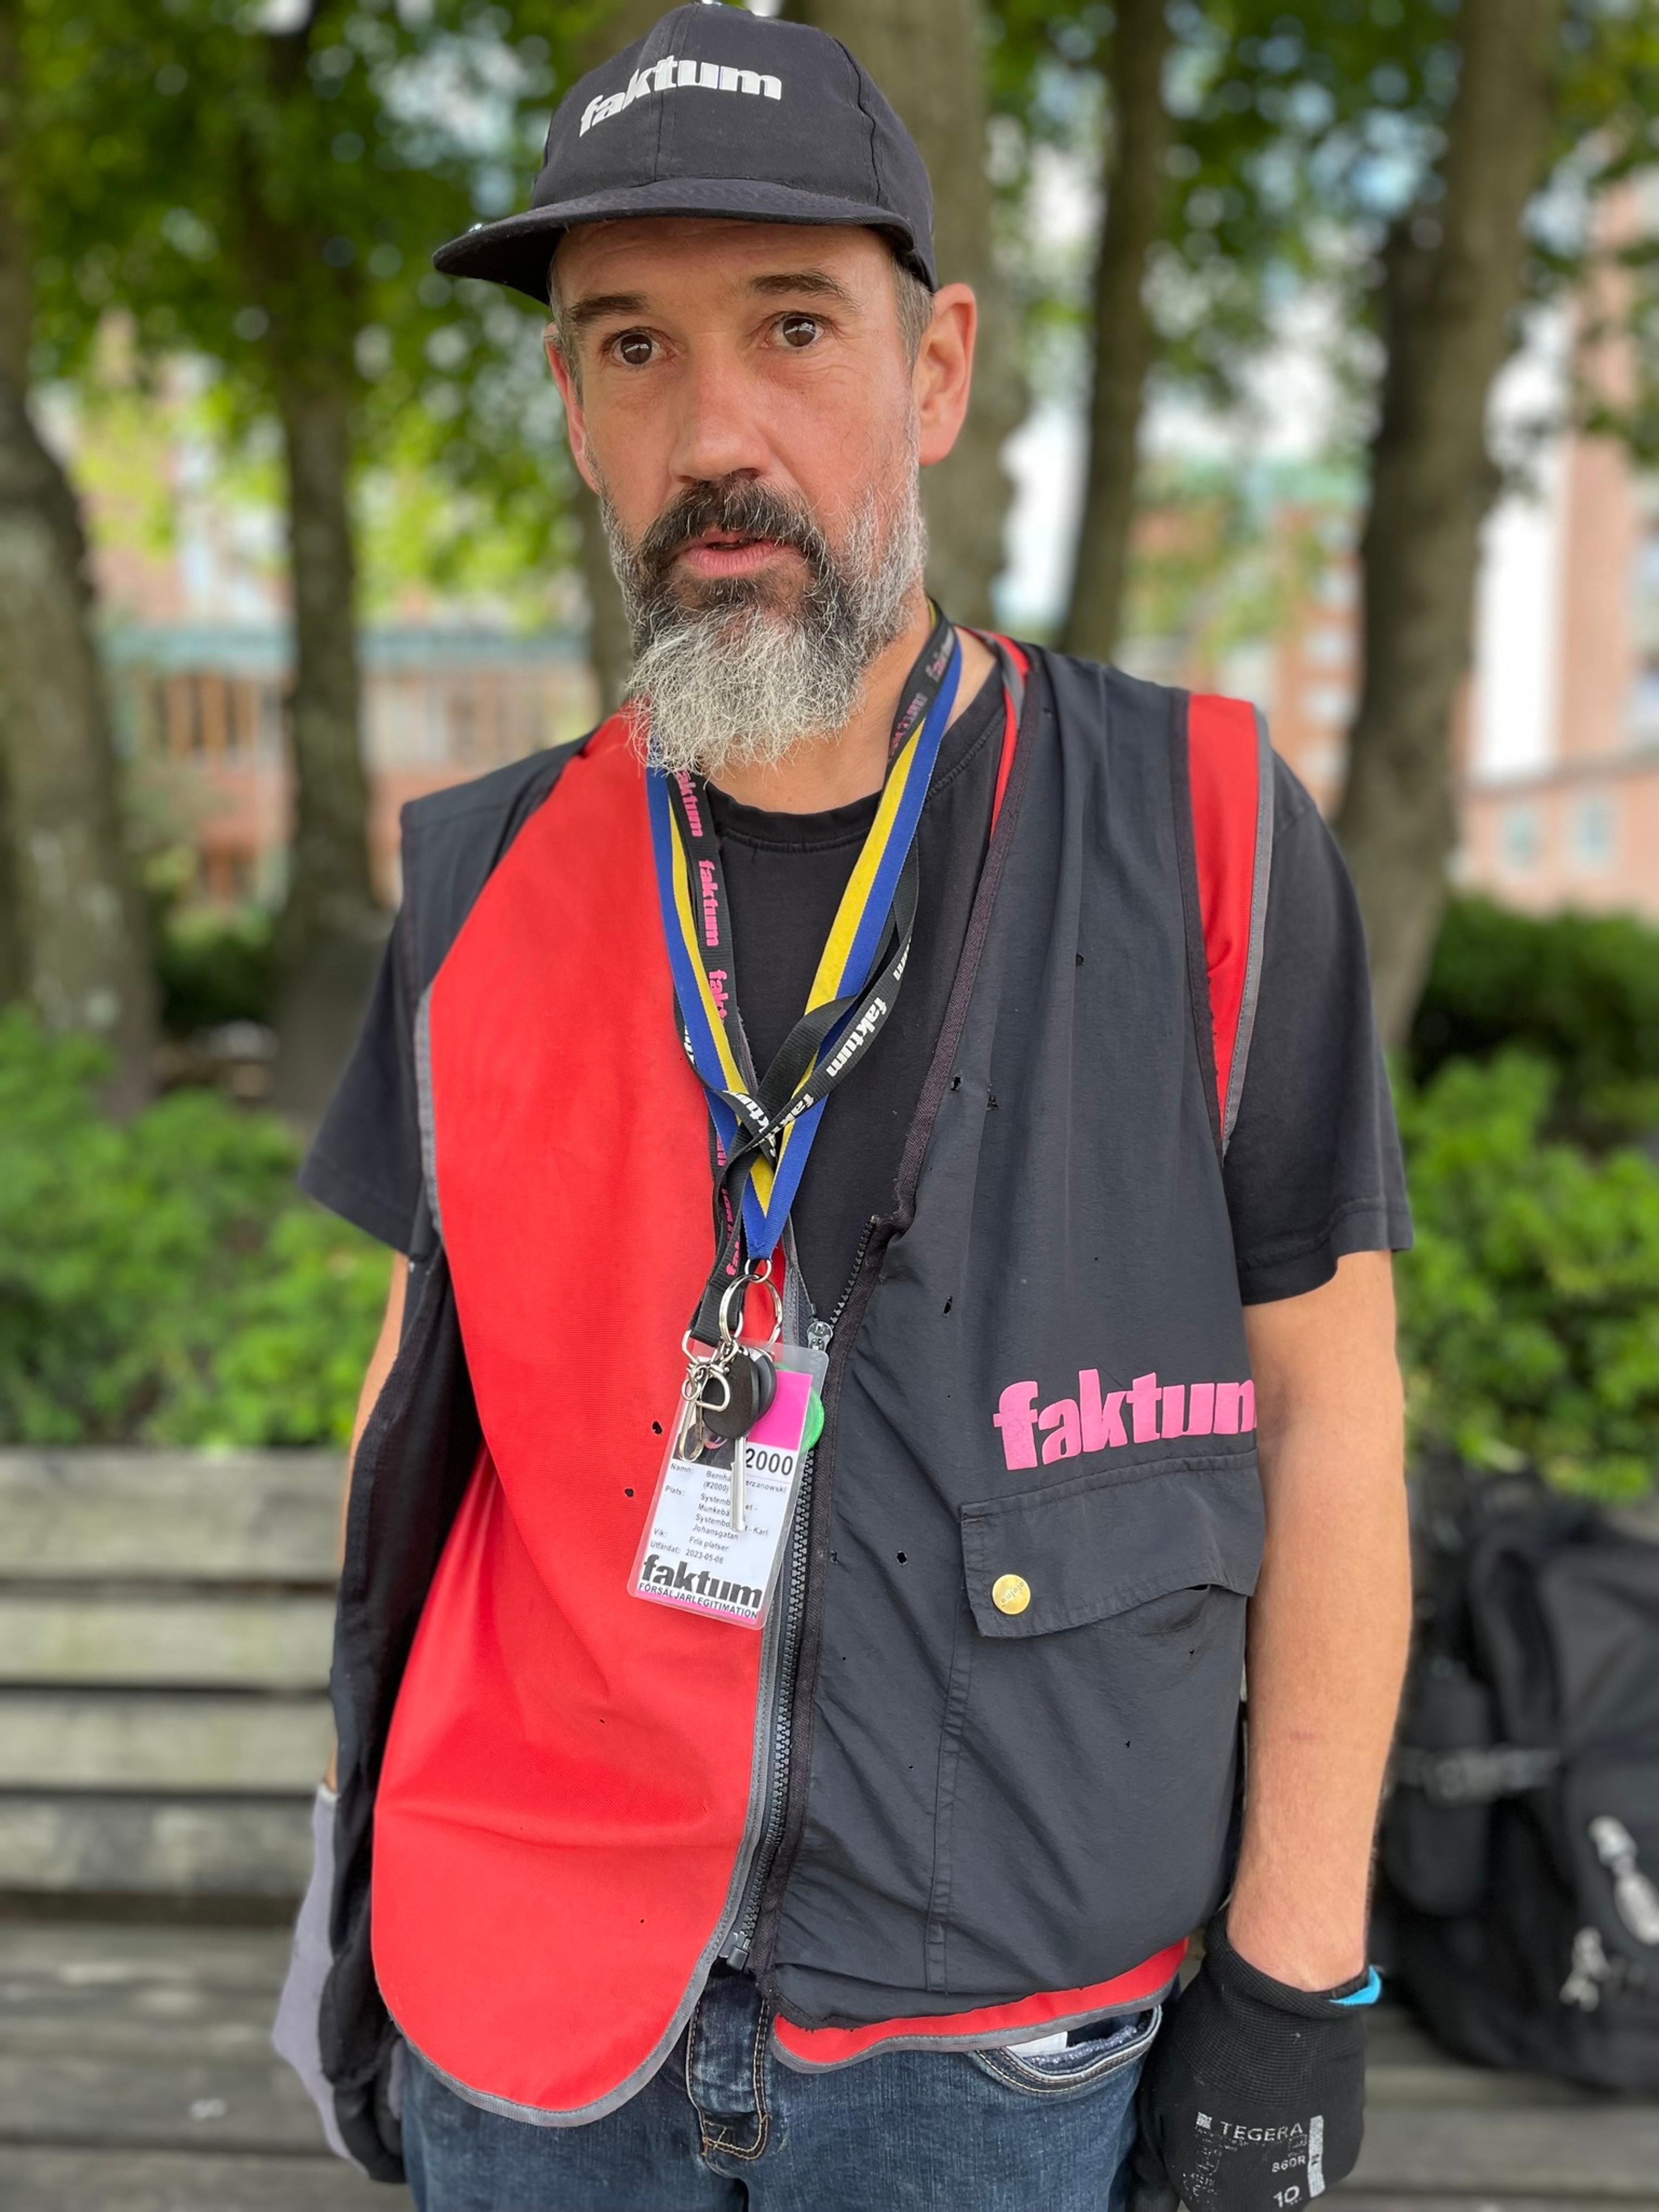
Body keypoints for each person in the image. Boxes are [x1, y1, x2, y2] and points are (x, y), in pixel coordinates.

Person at [274, 7, 1414, 2208]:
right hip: (527, 2015)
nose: (718, 432)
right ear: (573, 411)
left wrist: (1296, 1979)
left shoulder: (1202, 825)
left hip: (999, 2046)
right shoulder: (483, 879)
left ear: (941, 369)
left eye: (794, 326)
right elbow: (410, 1400)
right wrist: (358, 1877)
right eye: (629, 348)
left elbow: (1329, 1415)